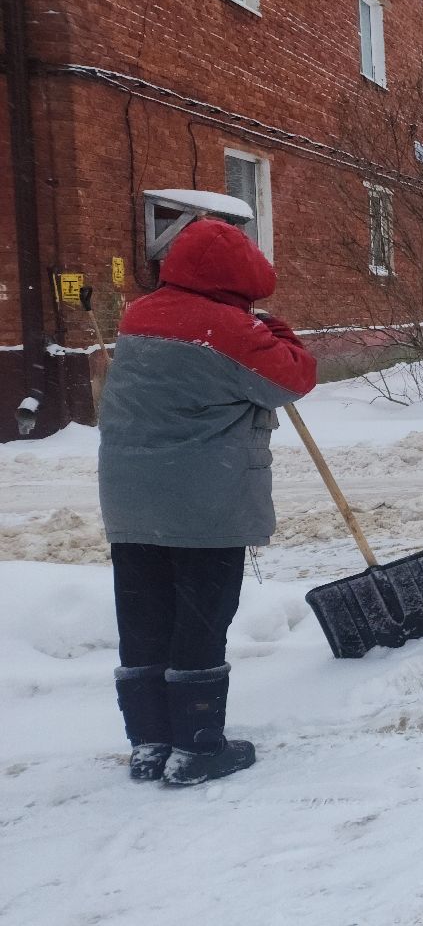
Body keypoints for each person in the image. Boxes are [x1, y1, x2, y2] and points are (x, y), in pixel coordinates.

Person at [98, 217, 316, 785]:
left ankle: (149, 745)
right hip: (204, 505)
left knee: (144, 619)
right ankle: (197, 749)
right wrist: (275, 328)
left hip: (130, 502)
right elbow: (293, 378)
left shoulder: (138, 315)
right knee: (199, 621)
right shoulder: (231, 330)